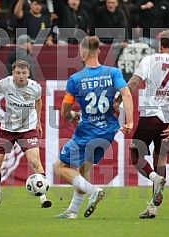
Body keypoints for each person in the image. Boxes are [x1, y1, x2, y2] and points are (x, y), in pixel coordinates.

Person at [53, 36, 133, 219]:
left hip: (87, 131)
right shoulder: (113, 72)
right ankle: (72, 211)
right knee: (82, 170)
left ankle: (93, 191)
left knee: (60, 167)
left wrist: (70, 115)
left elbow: (65, 110)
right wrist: (130, 122)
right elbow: (126, 94)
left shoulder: (75, 79)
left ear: (82, 53)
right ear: (99, 51)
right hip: (108, 132)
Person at [114, 29, 169, 219]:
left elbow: (133, 82)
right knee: (160, 158)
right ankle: (153, 207)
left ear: (160, 44)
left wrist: (118, 101)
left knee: (135, 154)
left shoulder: (150, 60)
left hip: (150, 116)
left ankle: (155, 179)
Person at [0, 60, 52, 208]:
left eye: (24, 73)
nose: (21, 76)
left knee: (35, 162)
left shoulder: (35, 87)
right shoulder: (4, 84)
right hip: (7, 129)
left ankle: (43, 198)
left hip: (28, 129)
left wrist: (39, 122)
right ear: (13, 73)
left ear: (28, 74)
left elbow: (38, 102)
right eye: (18, 73)